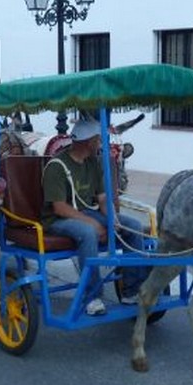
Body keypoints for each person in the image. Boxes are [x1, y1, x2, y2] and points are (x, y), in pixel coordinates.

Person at [41, 118, 146, 316]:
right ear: (89, 141)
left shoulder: (93, 162)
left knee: (133, 226)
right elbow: (60, 208)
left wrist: (112, 218)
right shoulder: (57, 166)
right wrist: (92, 222)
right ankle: (92, 296)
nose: (100, 144)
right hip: (57, 220)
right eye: (99, 140)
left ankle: (132, 291)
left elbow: (103, 198)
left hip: (86, 212)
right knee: (88, 232)